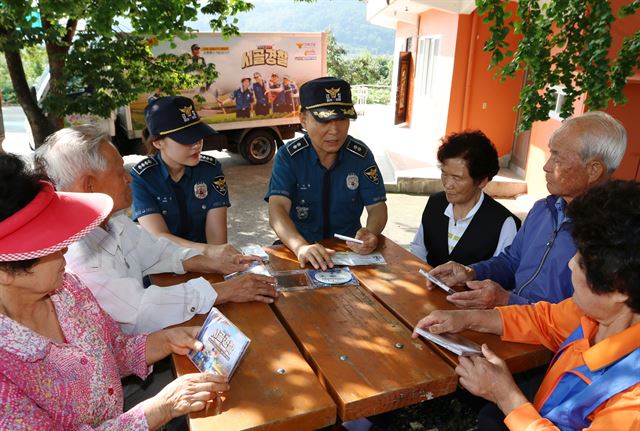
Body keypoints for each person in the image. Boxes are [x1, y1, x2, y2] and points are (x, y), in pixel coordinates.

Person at [0, 153, 229, 430]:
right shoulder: (6, 368)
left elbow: (114, 348)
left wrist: (165, 340)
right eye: (50, 245)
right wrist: (160, 408)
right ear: (5, 272)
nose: (64, 249)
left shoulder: (68, 290)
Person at [414, 180, 640, 431]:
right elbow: (541, 319)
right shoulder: (593, 316)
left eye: (582, 263)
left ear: (619, 289)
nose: (570, 265)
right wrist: (466, 319)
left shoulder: (633, 400)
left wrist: (505, 396)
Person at [35, 125, 277, 335]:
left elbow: (157, 251)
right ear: (89, 186)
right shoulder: (77, 254)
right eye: (120, 172)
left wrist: (210, 262)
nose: (128, 179)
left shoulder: (112, 221)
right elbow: (140, 310)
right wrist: (224, 290)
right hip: (128, 375)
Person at [426, 111, 627, 308]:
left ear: (593, 170)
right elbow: (512, 261)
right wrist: (471, 272)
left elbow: (580, 319)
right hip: (512, 322)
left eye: (557, 158)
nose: (546, 166)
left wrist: (507, 300)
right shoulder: (543, 210)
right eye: (550, 154)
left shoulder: (614, 236)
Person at [266, 76, 388, 270]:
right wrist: (301, 247)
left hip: (348, 252)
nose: (335, 130)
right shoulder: (289, 156)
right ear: (303, 120)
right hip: (300, 249)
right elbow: (277, 209)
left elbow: (377, 207)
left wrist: (371, 233)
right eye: (324, 120)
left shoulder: (360, 156)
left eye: (341, 119)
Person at [131, 96, 233, 254]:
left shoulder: (210, 169)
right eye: (186, 138)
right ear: (158, 143)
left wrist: (215, 257)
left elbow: (217, 241)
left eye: (198, 135)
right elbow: (159, 237)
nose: (197, 144)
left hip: (209, 264)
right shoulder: (142, 178)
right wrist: (208, 251)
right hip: (165, 267)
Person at [410, 130, 520, 267]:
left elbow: (505, 273)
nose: (447, 184)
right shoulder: (435, 204)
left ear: (481, 181)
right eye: (444, 173)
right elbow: (418, 250)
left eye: (457, 178)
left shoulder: (504, 223)